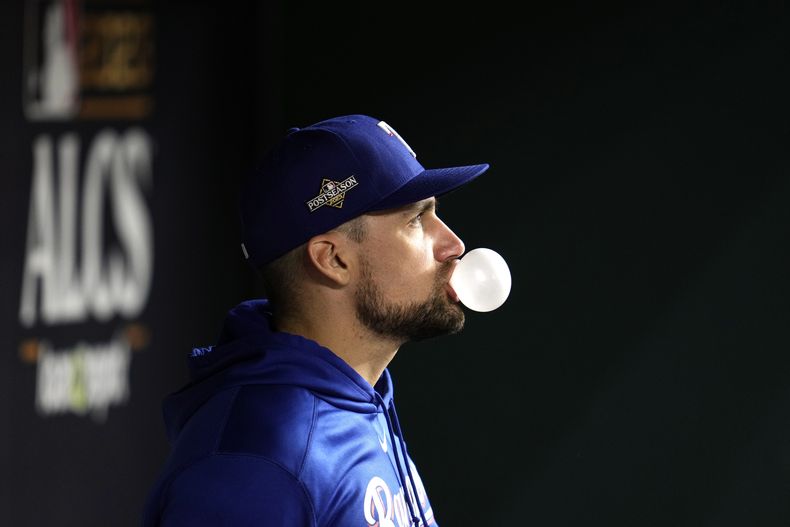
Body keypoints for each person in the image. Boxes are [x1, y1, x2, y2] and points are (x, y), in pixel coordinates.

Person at [142, 114, 490, 526]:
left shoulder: (360, 401)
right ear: (333, 259)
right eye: (415, 219)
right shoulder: (256, 464)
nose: (454, 244)